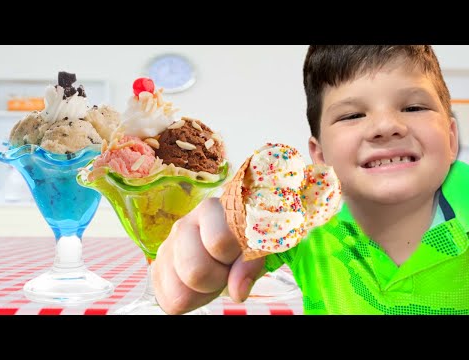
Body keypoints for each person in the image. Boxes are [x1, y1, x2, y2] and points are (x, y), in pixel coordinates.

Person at [152, 45, 469, 315]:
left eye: (414, 107)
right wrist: (193, 256)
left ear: (451, 138)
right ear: (320, 156)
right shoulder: (295, 220)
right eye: (351, 115)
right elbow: (177, 292)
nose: (386, 125)